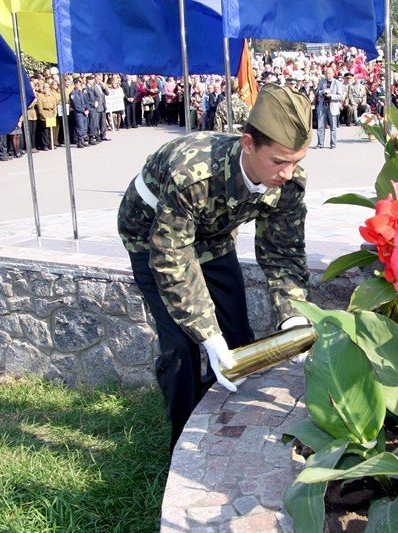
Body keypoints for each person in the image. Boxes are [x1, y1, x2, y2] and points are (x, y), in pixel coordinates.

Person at [117, 83, 312, 447]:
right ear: (249, 143)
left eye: (296, 161)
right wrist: (206, 333)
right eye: (279, 161)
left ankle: (231, 432)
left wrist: (293, 315)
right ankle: (184, 443)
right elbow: (172, 256)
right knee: (182, 348)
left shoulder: (289, 183)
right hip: (151, 237)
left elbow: (282, 252)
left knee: (237, 336)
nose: (287, 173)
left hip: (214, 234)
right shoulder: (193, 174)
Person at [314, 67, 344, 149]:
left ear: (333, 74)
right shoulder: (321, 81)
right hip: (322, 106)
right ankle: (320, 144)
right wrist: (322, 92)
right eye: (327, 73)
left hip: (332, 107)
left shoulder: (337, 83)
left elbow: (341, 96)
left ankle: (333, 144)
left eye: (330, 73)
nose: (328, 75)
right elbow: (317, 92)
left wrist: (331, 96)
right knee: (320, 126)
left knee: (333, 127)